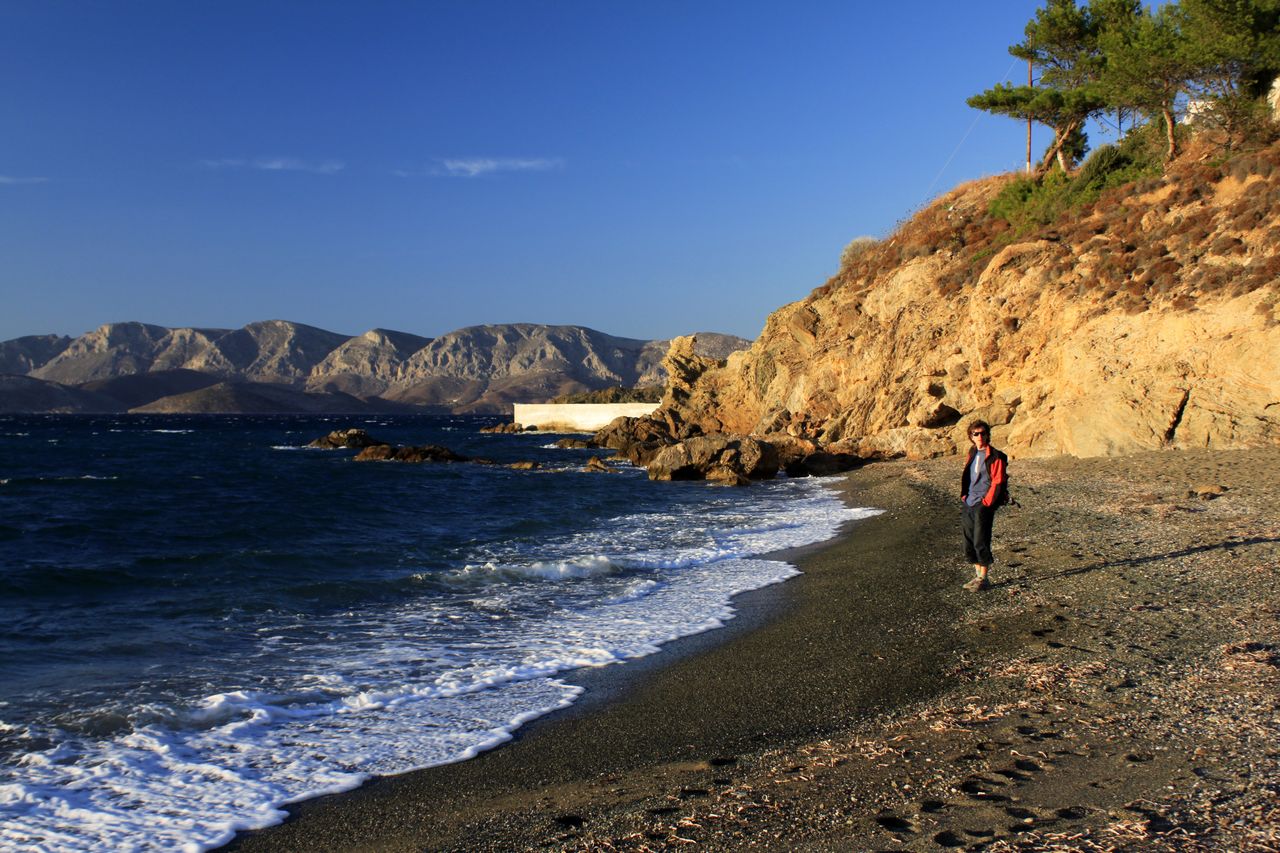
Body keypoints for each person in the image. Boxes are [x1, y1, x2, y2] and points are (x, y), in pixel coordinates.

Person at [960, 420, 1007, 591]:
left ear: (987, 435)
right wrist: (965, 496)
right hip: (969, 500)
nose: (979, 437)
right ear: (971, 436)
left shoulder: (996, 456)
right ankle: (977, 576)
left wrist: (987, 502)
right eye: (975, 433)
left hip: (983, 503)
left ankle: (984, 578)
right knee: (969, 540)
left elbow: (998, 480)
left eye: (982, 433)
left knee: (981, 539)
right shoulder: (972, 452)